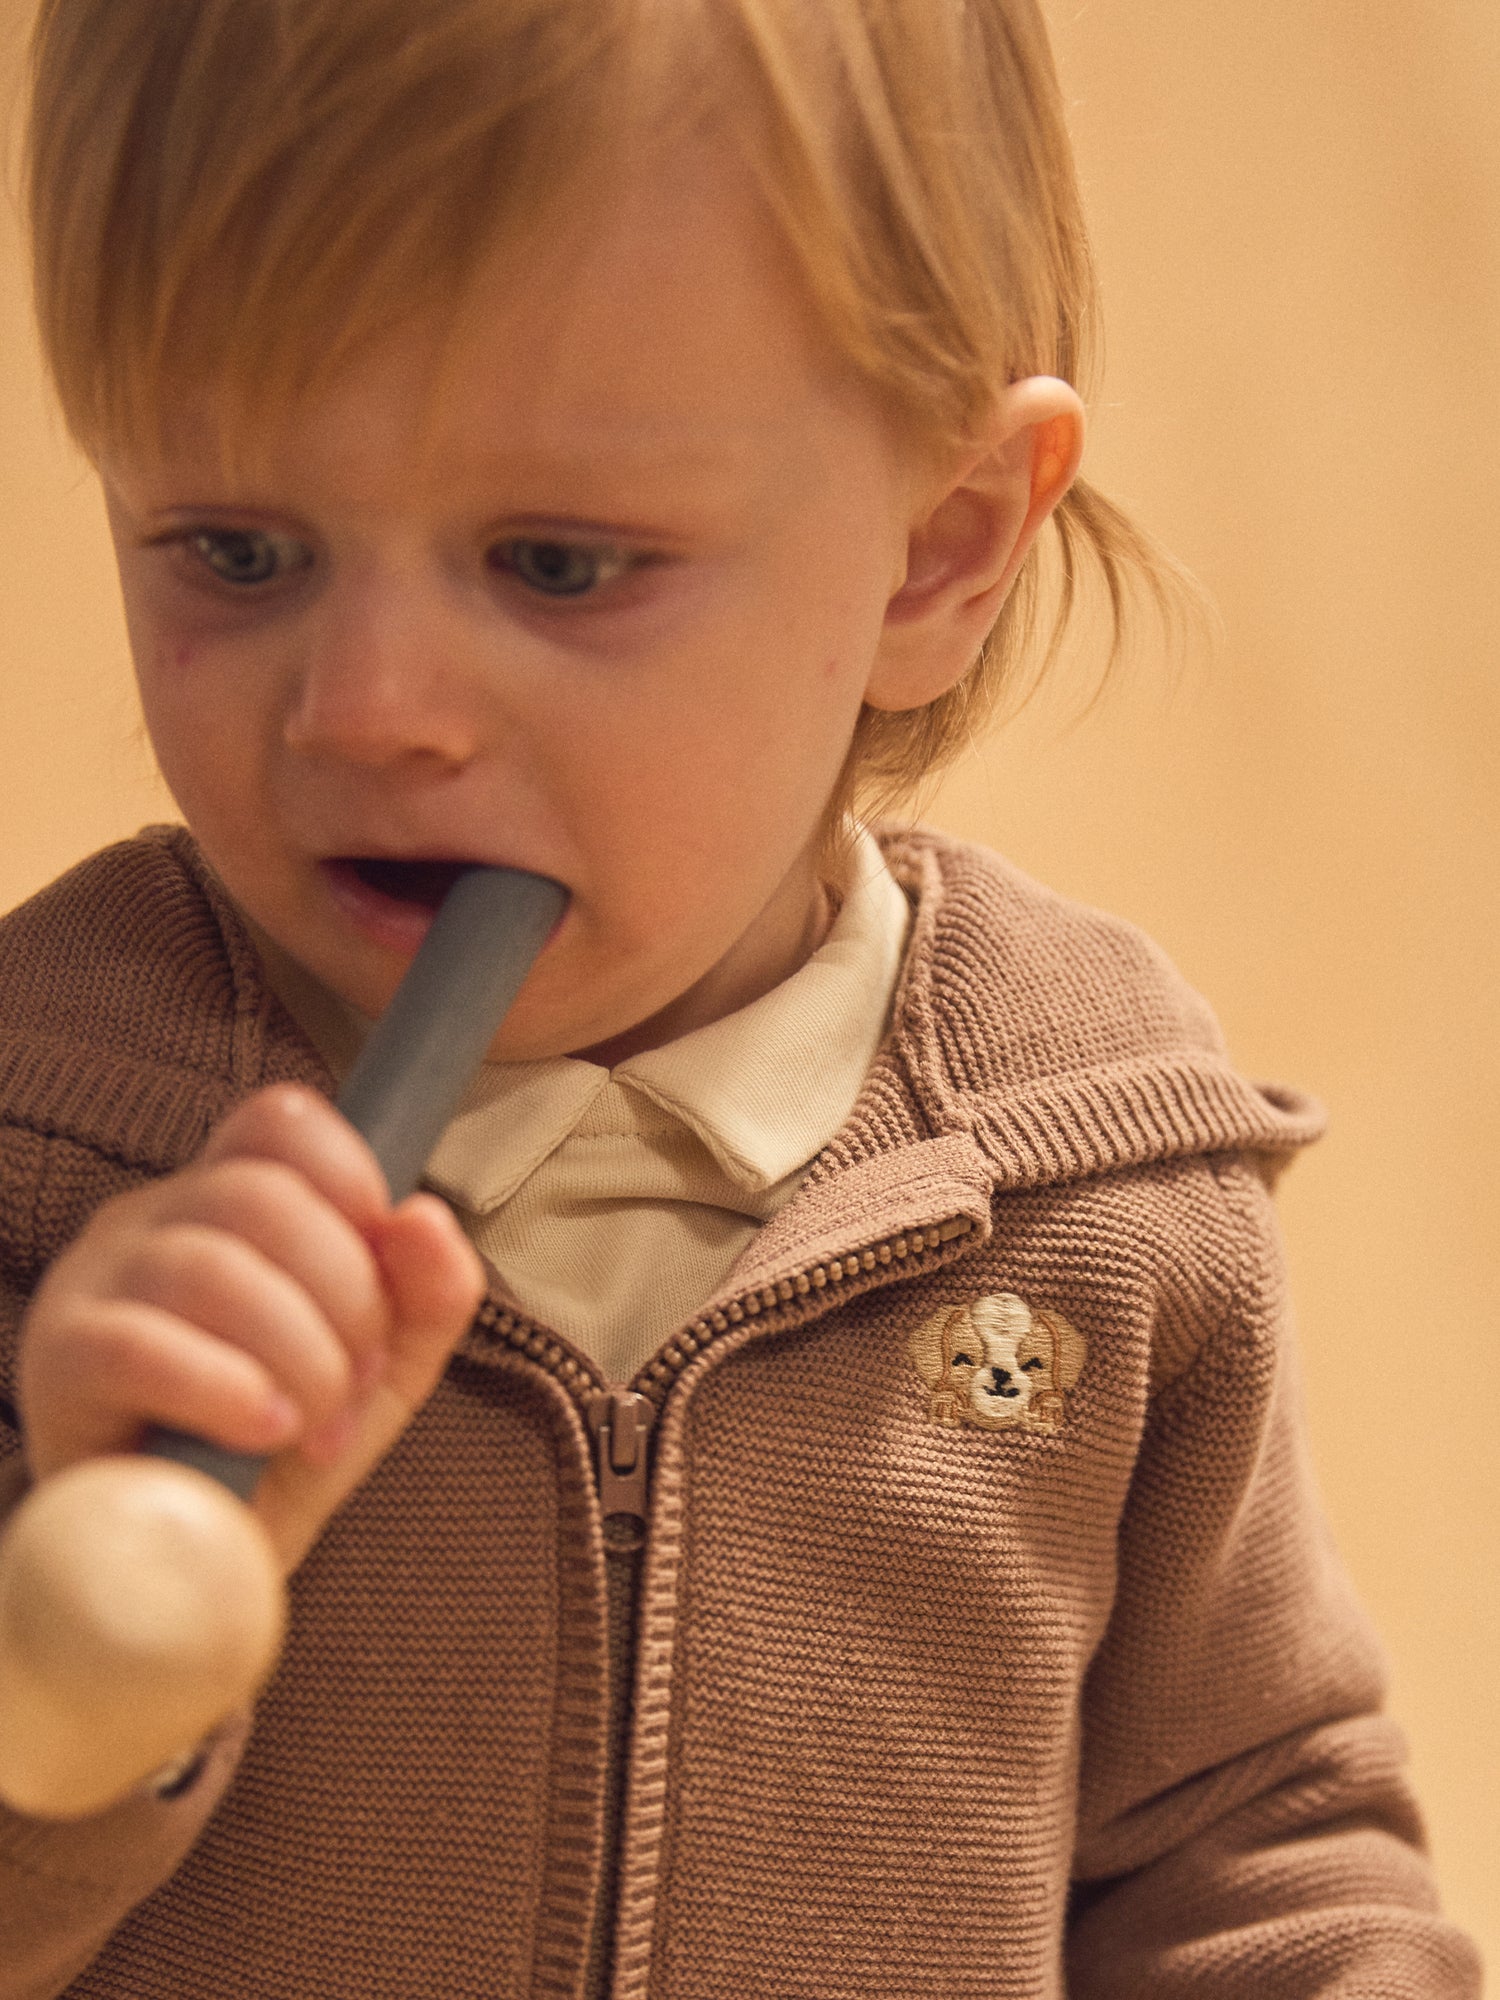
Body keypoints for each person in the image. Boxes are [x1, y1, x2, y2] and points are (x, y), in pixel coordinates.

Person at [0, 0, 1481, 1994]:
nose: (367, 712)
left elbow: (1250, 1849)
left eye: (556, 562)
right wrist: (62, 1693)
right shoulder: (43, 1161)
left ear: (938, 548)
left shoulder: (1111, 1189)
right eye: (236, 548)